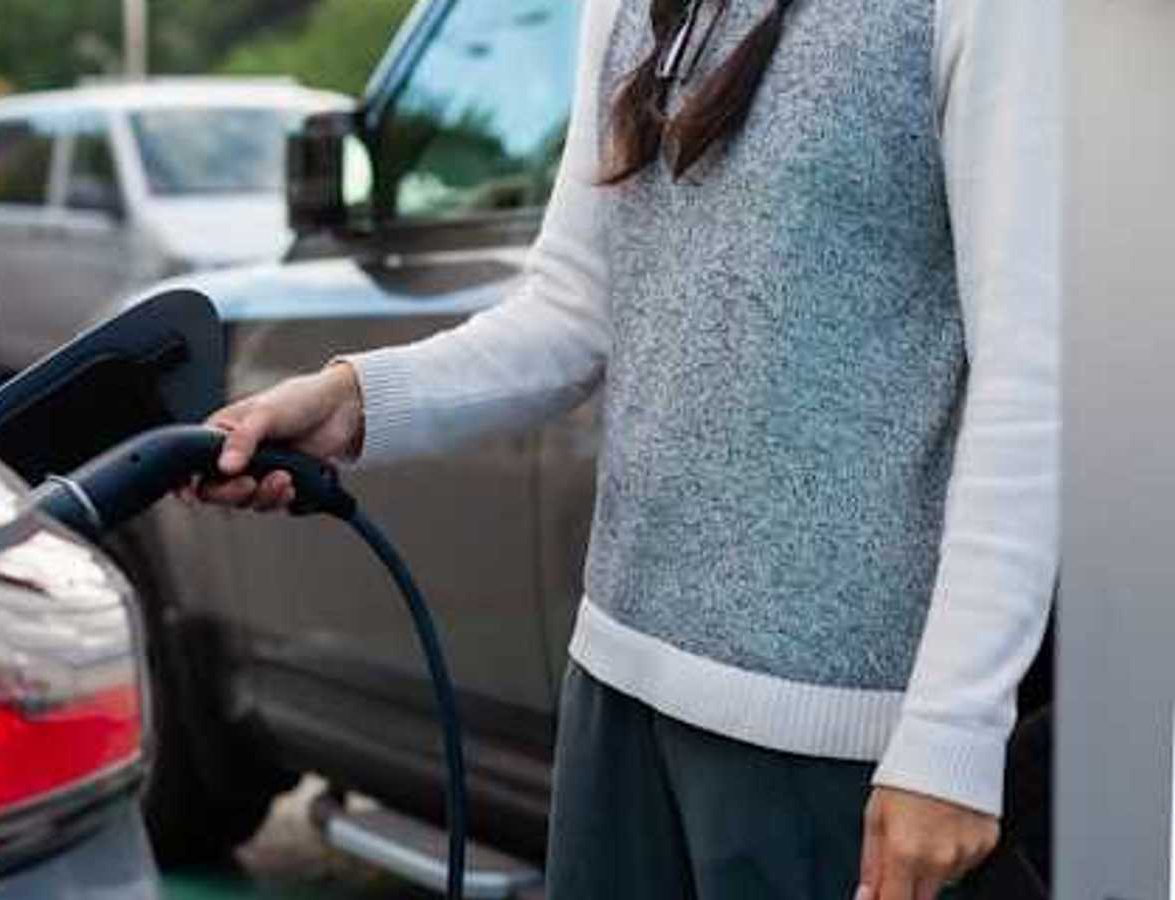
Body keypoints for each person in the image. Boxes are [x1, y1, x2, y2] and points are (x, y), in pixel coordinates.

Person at [191, 0, 1059, 897]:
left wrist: (951, 740)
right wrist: (351, 401)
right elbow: (571, 311)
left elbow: (1030, 383)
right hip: (615, 691)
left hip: (831, 740)